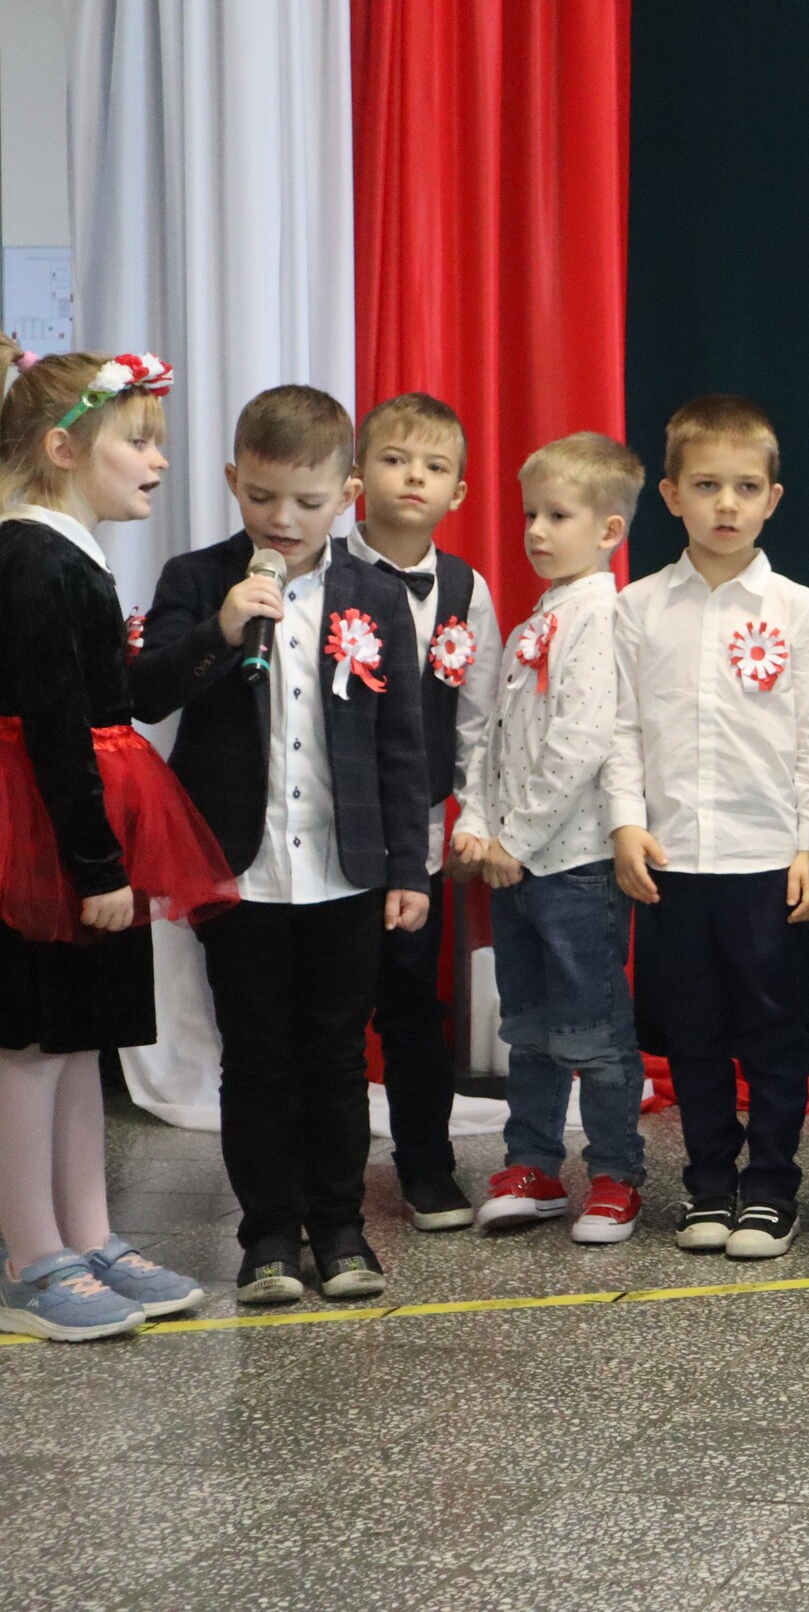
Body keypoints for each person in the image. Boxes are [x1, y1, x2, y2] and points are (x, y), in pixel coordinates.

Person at [131, 385, 432, 1305]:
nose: (284, 519)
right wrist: (222, 629)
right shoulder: (196, 578)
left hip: (345, 868)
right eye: (262, 496)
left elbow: (402, 743)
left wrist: (409, 867)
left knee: (337, 1053)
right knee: (255, 1054)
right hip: (237, 868)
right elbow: (144, 691)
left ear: (348, 492)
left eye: (308, 500)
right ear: (233, 480)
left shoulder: (375, 594)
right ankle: (266, 1234)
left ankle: (340, 1227)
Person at [0, 343, 228, 1339]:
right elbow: (54, 724)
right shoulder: (31, 558)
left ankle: (88, 1234)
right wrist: (94, 863)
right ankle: (30, 1255)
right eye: (137, 441)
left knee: (78, 1036)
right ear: (63, 449)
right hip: (45, 832)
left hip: (84, 822)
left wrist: (215, 636)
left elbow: (118, 695)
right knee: (29, 1042)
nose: (158, 460)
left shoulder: (71, 554)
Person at [607, 395, 809, 1260]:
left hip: (765, 856)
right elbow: (622, 728)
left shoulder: (800, 608)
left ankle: (771, 1188)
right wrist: (627, 824)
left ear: (773, 498)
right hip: (673, 858)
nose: (726, 504)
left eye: (745, 486)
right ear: (670, 495)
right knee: (692, 1032)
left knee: (772, 1031)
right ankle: (708, 1184)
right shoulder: (638, 608)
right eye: (706, 485)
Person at [450, 434, 647, 1244]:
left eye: (556, 516)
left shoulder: (600, 616)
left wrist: (517, 838)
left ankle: (616, 1174)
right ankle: (532, 1164)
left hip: (574, 868)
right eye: (531, 513)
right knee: (526, 1030)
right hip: (516, 865)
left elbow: (580, 742)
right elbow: (494, 734)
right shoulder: (540, 614)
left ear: (608, 530)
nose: (535, 530)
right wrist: (475, 822)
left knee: (592, 1032)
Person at [346, 393, 500, 1232]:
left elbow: (479, 718)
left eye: (434, 466)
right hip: (333, 838)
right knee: (333, 1015)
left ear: (458, 491)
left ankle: (428, 1167)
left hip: (424, 843)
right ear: (357, 475)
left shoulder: (466, 588)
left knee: (413, 1008)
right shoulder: (324, 571)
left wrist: (473, 817)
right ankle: (327, 1176)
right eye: (396, 459)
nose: (414, 477)